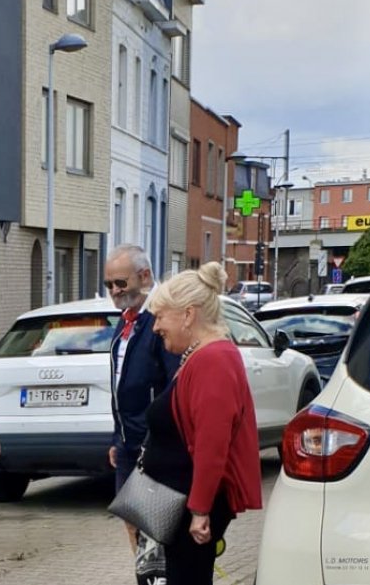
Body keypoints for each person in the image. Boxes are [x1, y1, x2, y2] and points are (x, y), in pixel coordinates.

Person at [142, 262, 263, 585]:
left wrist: (199, 509)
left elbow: (213, 443)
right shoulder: (201, 355)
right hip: (180, 501)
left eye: (160, 316)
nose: (155, 327)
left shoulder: (214, 359)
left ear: (188, 314)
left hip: (193, 504)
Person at [105, 244, 180, 550]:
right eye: (109, 284)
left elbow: (172, 385)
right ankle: (144, 575)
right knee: (132, 521)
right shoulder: (126, 319)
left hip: (154, 443)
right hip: (127, 443)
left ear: (145, 276)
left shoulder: (161, 319)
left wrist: (157, 438)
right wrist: (117, 437)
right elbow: (121, 384)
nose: (114, 291)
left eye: (120, 283)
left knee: (157, 529)